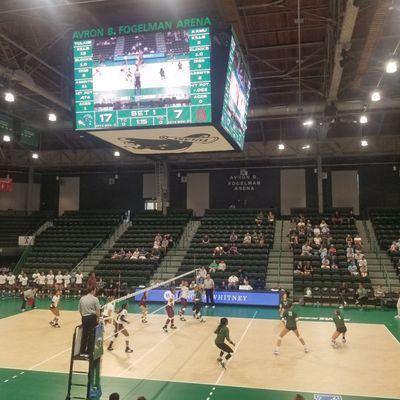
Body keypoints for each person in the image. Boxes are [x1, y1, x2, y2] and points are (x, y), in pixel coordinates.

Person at [78, 287, 101, 357]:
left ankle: (82, 351)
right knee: (91, 335)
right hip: (92, 318)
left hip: (84, 317)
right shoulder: (95, 299)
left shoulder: (82, 298)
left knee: (84, 335)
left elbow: (79, 309)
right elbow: (97, 311)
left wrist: (83, 316)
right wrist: (98, 319)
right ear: (93, 290)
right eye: (95, 290)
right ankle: (88, 352)